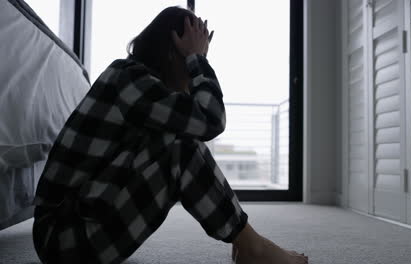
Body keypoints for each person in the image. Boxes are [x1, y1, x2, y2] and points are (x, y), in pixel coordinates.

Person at [32, 6, 308, 264]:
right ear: (170, 52)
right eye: (188, 59)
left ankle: (245, 240)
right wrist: (197, 59)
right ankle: (253, 247)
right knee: (182, 147)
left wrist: (195, 59)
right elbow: (211, 119)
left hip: (76, 223)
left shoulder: (138, 87)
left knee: (176, 140)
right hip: (63, 238)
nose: (191, 74)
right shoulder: (127, 78)